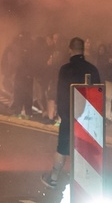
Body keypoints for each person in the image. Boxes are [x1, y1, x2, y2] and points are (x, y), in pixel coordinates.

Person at [41, 37, 101, 189]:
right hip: (88, 116)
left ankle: (53, 178)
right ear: (83, 50)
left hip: (69, 114)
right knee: (85, 148)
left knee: (63, 147)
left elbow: (61, 92)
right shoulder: (93, 69)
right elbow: (98, 94)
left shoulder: (65, 69)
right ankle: (86, 181)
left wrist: (61, 113)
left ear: (70, 49)